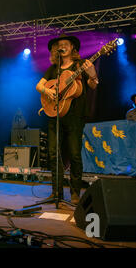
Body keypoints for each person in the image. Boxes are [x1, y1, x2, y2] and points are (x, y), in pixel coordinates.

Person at [35, 35, 99, 205]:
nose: (61, 46)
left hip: (74, 117)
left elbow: (93, 85)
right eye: (59, 45)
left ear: (72, 48)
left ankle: (75, 192)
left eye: (65, 44)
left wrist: (92, 75)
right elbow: (39, 85)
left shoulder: (80, 65)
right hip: (55, 115)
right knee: (53, 153)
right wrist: (47, 92)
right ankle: (56, 192)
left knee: (74, 154)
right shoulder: (53, 68)